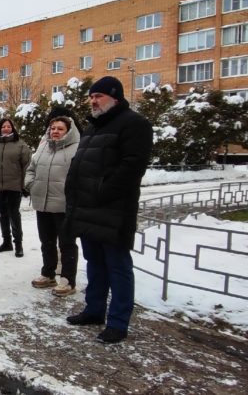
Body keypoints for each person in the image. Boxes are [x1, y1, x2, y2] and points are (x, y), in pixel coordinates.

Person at [64, 76, 152, 344]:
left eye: (99, 96)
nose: (93, 100)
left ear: (115, 97)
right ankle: (94, 310)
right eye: (91, 96)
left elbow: (132, 167)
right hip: (88, 208)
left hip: (114, 211)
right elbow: (82, 165)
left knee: (118, 267)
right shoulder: (93, 129)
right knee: (94, 263)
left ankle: (118, 323)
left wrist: (102, 192)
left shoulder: (134, 124)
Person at [24, 116, 79, 297]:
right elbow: (31, 168)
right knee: (46, 242)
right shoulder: (43, 147)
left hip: (64, 205)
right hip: (43, 203)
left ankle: (68, 280)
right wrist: (31, 184)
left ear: (69, 131)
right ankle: (48, 273)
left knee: (66, 243)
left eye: (60, 129)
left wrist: (72, 195)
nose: (55, 131)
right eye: (53, 128)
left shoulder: (76, 149)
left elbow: (81, 175)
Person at [0, 118, 31, 257]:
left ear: (13, 128)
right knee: (3, 215)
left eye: (8, 126)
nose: (6, 129)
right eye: (3, 126)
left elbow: (27, 165)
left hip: (14, 185)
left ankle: (18, 244)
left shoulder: (20, 145)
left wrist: (25, 185)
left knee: (14, 214)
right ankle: (6, 242)